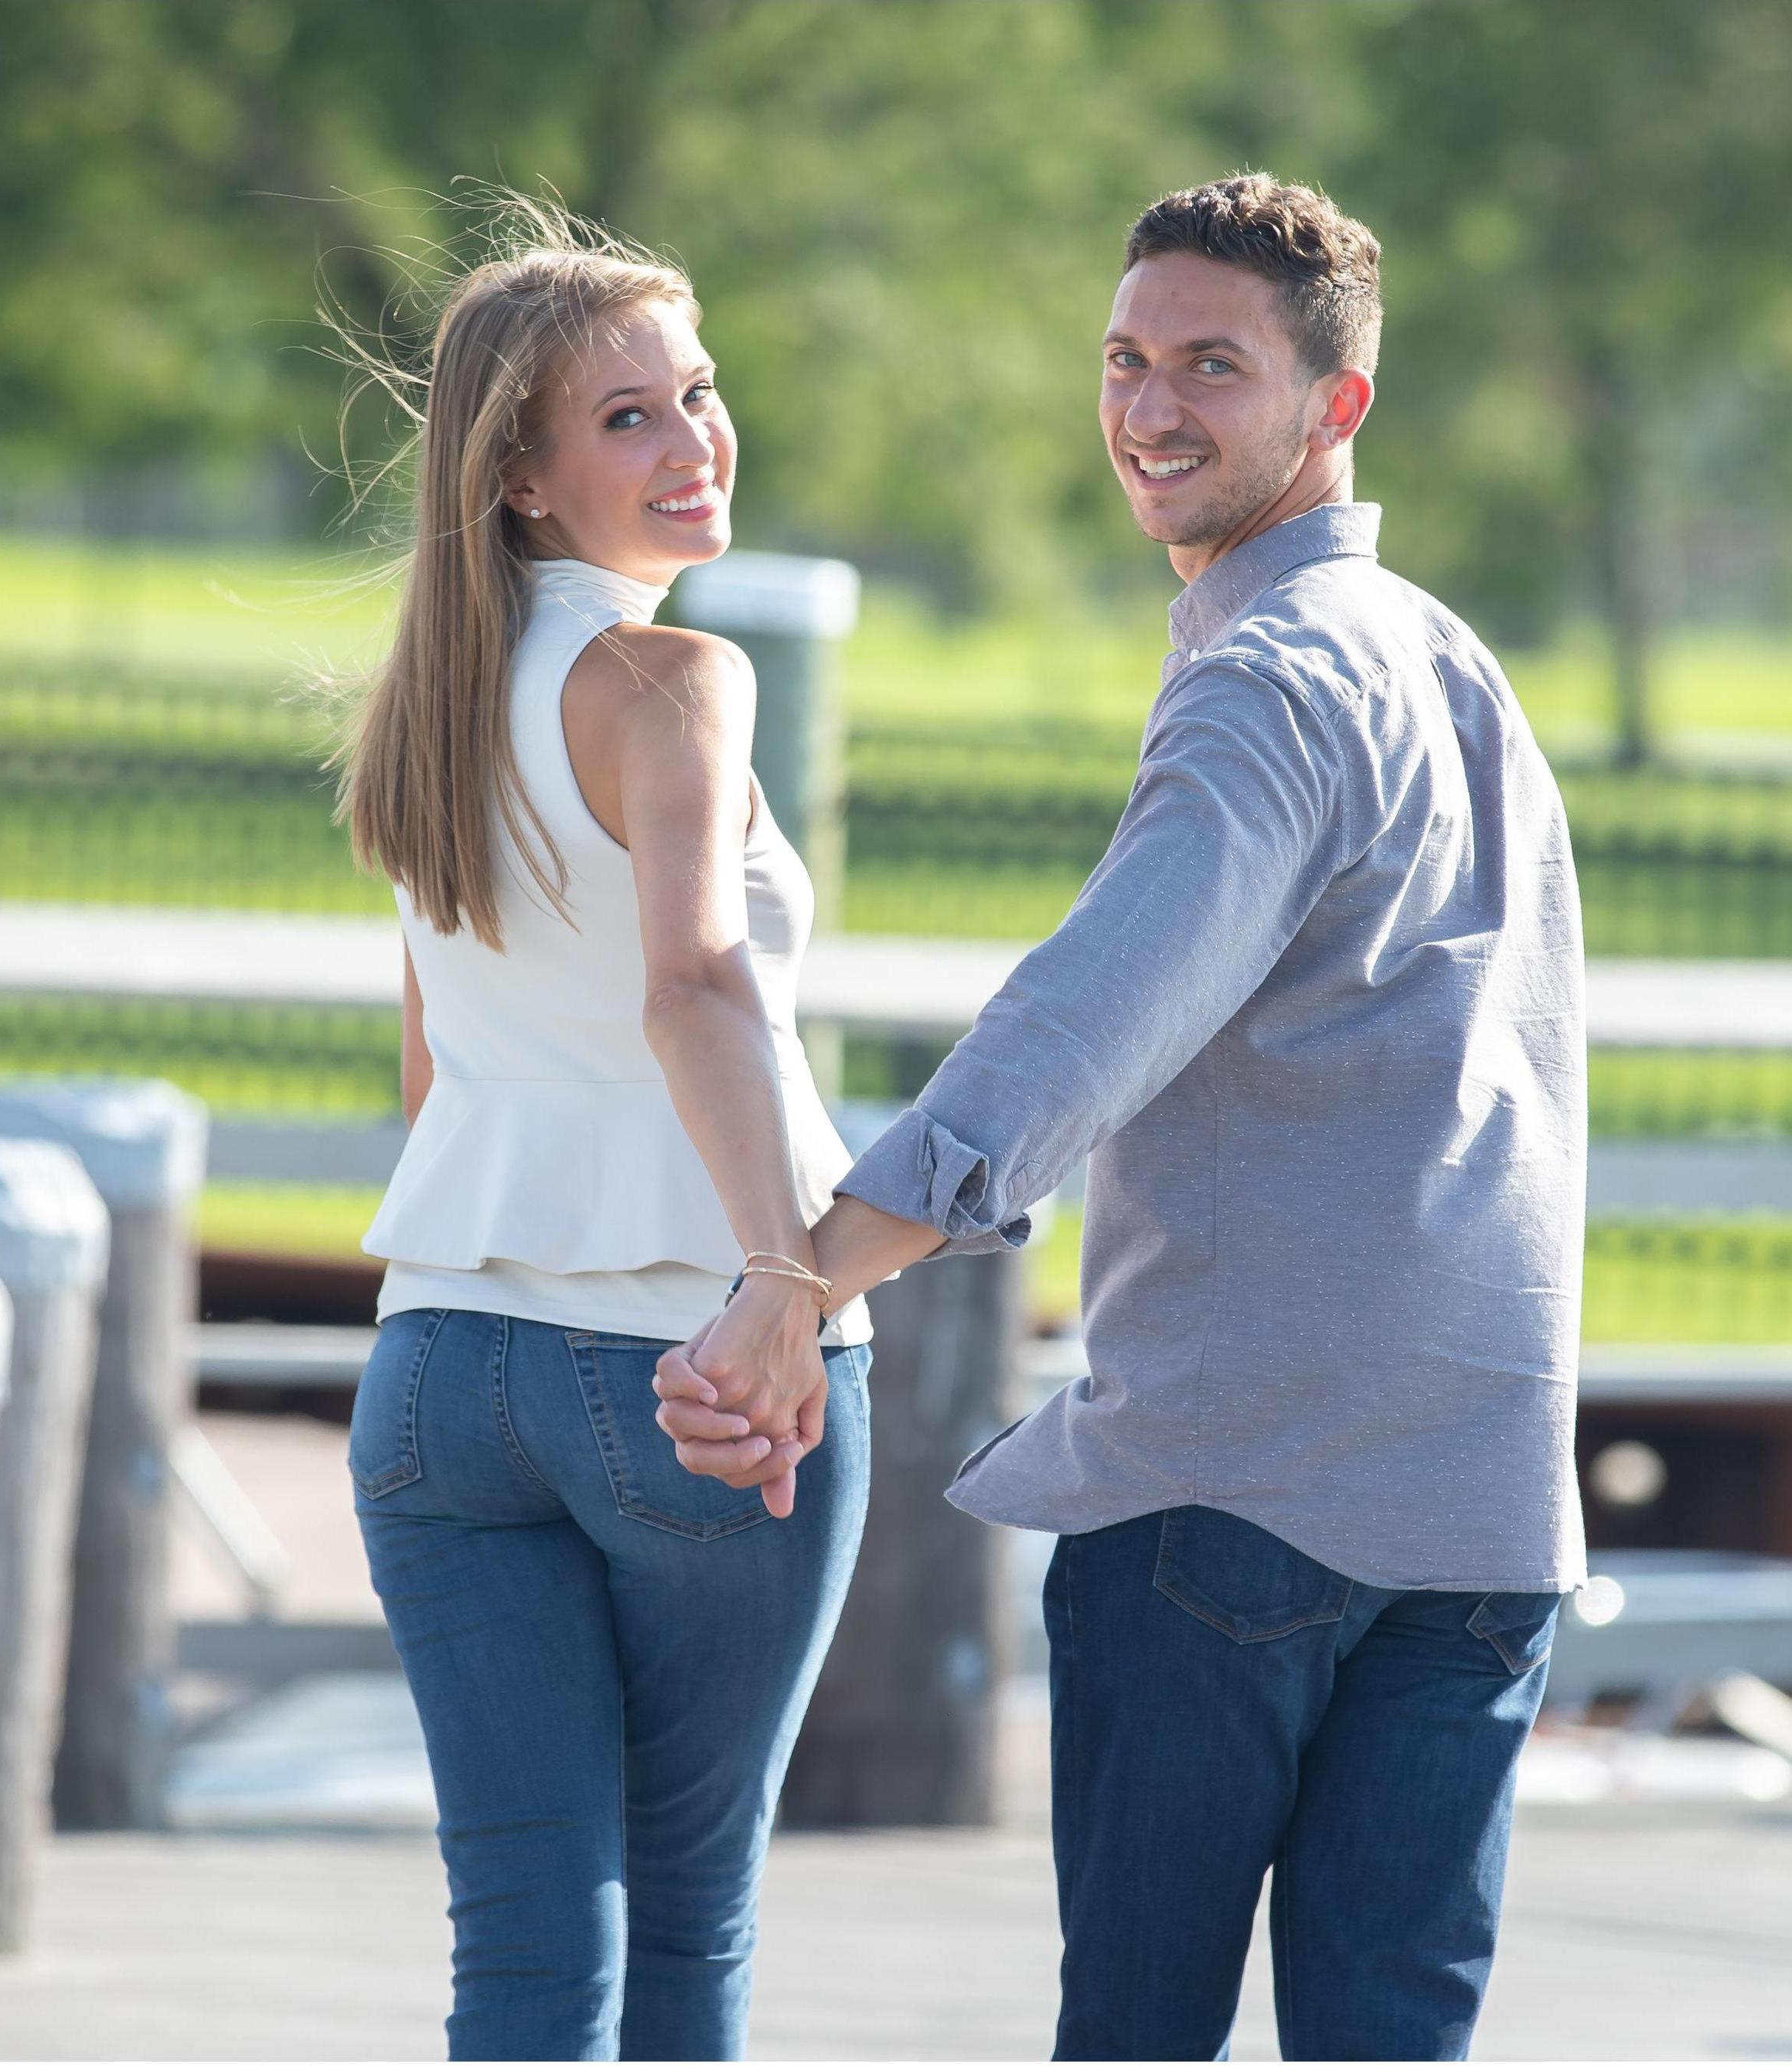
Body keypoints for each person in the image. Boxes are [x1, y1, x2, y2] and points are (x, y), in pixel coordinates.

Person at [658, 173, 1586, 2062]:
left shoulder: (1269, 680)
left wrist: (800, 1272)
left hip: (1243, 1486)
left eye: (1211, 369)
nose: (1149, 408)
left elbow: (1080, 1023)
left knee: (1137, 2037)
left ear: (1334, 406)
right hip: (1482, 1490)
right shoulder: (1446, 659)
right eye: (1124, 358)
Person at [336, 208, 872, 2063]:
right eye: (632, 415)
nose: (697, 438)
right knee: (683, 1927)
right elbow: (695, 987)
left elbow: (435, 1071)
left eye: (699, 392)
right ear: (525, 478)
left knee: (522, 1952)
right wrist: (783, 1284)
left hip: (433, 1386)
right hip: (682, 1368)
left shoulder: (421, 711)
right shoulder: (674, 683)